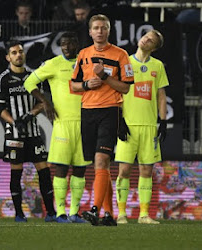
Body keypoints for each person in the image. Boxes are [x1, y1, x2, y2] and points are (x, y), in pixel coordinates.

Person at [70, 14, 134, 226]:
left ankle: (95, 209)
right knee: (99, 166)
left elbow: (125, 87)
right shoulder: (83, 55)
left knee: (101, 160)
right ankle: (109, 215)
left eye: (103, 28)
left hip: (110, 111)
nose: (100, 31)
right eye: (96, 28)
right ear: (90, 32)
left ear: (108, 30)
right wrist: (88, 85)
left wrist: (105, 77)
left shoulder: (121, 55)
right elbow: (73, 86)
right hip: (87, 111)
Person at [24, 32, 92, 223]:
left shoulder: (86, 62)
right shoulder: (53, 64)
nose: (66, 47)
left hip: (85, 124)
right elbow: (29, 82)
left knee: (80, 169)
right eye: (63, 44)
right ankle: (60, 212)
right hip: (62, 124)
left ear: (76, 44)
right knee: (61, 169)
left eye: (70, 43)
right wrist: (45, 102)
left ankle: (74, 213)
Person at [0, 40, 56, 222]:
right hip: (14, 134)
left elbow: (41, 102)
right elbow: (0, 109)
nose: (18, 55)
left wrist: (30, 115)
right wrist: (15, 122)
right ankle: (19, 214)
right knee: (16, 172)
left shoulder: (34, 76)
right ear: (8, 57)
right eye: (14, 52)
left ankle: (51, 213)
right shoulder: (2, 79)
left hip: (34, 132)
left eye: (20, 51)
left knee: (44, 171)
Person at [115, 30, 169, 225]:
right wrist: (119, 121)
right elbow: (117, 93)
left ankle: (144, 215)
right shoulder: (125, 62)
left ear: (153, 47)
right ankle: (121, 213)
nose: (145, 39)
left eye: (150, 40)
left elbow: (161, 95)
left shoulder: (158, 66)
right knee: (124, 171)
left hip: (148, 126)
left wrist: (162, 122)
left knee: (146, 171)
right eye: (145, 36)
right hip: (129, 125)